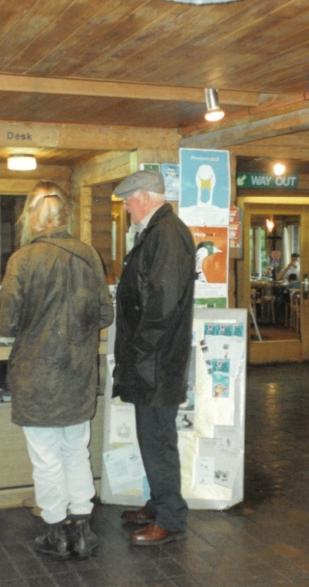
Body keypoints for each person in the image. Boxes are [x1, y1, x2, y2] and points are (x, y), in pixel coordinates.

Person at [0, 182, 114, 559]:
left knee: (45, 457)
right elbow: (105, 313)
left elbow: (7, 322)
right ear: (65, 215)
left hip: (36, 373)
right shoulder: (87, 254)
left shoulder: (23, 260)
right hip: (77, 370)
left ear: (32, 216)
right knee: (76, 450)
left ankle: (55, 532)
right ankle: (82, 528)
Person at [112, 170, 195, 546]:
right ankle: (159, 503)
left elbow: (161, 305)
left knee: (158, 439)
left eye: (128, 200)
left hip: (156, 362)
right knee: (153, 437)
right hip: (154, 360)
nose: (126, 207)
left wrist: (138, 351)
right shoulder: (161, 231)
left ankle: (171, 519)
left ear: (144, 196)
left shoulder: (165, 233)